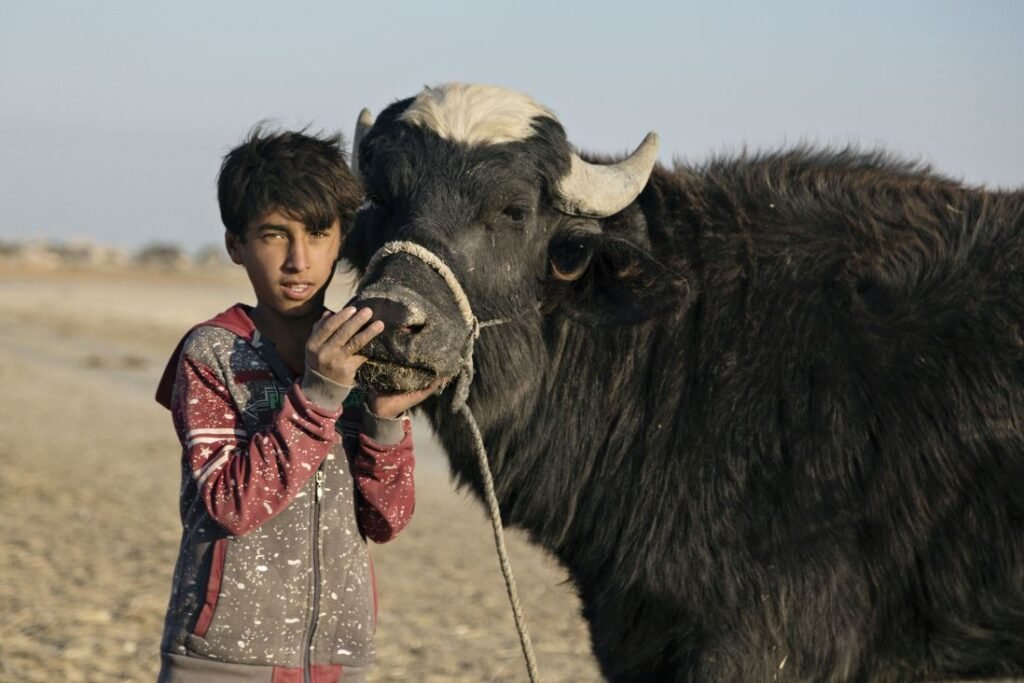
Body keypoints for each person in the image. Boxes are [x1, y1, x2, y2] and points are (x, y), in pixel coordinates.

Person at [154, 126, 435, 682]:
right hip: (223, 658)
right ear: (236, 244)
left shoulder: (361, 353)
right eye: (274, 235)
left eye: (317, 234)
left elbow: (386, 522)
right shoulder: (214, 352)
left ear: (343, 240)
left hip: (339, 657)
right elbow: (232, 505)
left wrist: (384, 423)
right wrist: (322, 394)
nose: (298, 260)